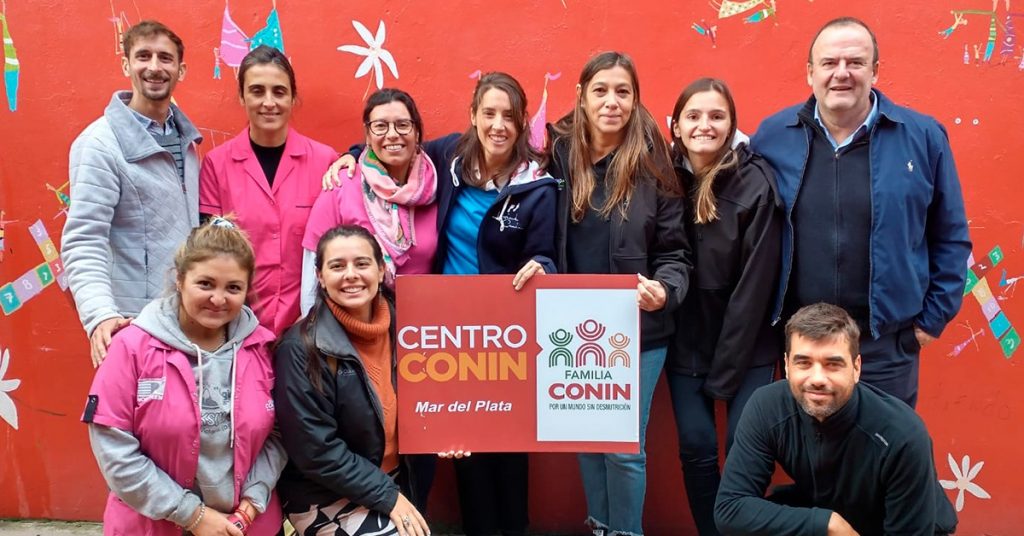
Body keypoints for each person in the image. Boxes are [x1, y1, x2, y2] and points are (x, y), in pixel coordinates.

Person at [750, 16, 971, 408]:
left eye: (855, 62)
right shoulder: (772, 136)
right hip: (804, 346)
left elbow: (951, 237)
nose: (842, 73)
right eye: (829, 63)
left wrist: (928, 323)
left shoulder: (923, 137)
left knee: (884, 445)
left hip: (885, 346)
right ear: (810, 72)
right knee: (810, 446)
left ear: (875, 70)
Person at [539, 51, 693, 536]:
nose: (612, 101)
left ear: (635, 99)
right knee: (586, 440)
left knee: (624, 448)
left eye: (623, 92)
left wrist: (665, 290)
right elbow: (479, 150)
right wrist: (354, 157)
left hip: (637, 328)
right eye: (600, 90)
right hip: (570, 325)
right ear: (581, 96)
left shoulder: (653, 163)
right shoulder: (555, 154)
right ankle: (601, 528)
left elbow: (676, 251)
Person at [82, 217, 286, 536]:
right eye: (205, 284)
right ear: (179, 279)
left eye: (233, 287)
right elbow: (114, 449)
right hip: (152, 526)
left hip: (246, 525)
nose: (218, 299)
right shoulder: (131, 347)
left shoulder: (263, 348)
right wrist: (193, 516)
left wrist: (252, 502)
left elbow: (279, 435)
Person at [714, 302, 958, 535]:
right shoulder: (767, 406)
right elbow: (730, 508)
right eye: (803, 363)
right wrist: (827, 524)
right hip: (826, 517)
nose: (817, 379)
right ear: (787, 366)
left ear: (856, 368)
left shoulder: (901, 435)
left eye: (833, 364)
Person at [436, 71, 557, 536]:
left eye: (509, 115)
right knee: (465, 448)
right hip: (450, 332)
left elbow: (546, 253)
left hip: (507, 333)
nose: (498, 125)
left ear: (522, 122)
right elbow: (393, 150)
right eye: (489, 113)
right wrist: (349, 158)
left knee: (509, 443)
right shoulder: (448, 158)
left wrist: (542, 266)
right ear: (473, 116)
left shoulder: (537, 184)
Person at [665, 77, 783, 536]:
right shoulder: (662, 177)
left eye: (717, 116)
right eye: (693, 116)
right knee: (696, 446)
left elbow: (754, 288)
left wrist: (725, 373)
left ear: (732, 125)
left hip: (748, 343)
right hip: (685, 341)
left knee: (743, 450)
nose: (705, 126)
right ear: (676, 125)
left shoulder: (756, 183)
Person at [274, 224, 430, 536]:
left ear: (381, 269)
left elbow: (433, 401)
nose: (351, 275)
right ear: (320, 276)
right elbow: (316, 451)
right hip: (323, 491)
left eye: (361, 263)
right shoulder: (301, 348)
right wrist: (388, 496)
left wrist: (446, 435)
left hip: (393, 479)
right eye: (337, 266)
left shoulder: (412, 331)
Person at [63, 20, 202, 367]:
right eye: (143, 56)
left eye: (165, 58)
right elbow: (84, 240)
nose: (154, 67)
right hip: (131, 326)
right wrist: (100, 315)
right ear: (126, 65)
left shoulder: (187, 142)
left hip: (184, 323)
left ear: (181, 70)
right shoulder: (99, 145)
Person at [199, 45, 337, 336]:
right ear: (242, 97)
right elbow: (209, 251)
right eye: (257, 91)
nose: (269, 102)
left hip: (309, 328)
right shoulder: (216, 164)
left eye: (279, 92)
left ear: (293, 97)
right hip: (237, 326)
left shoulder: (325, 161)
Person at [301, 88, 439, 316]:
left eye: (403, 125)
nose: (392, 134)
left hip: (421, 321)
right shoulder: (341, 184)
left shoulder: (434, 185)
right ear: (367, 135)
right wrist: (312, 322)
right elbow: (313, 266)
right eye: (380, 126)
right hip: (355, 321)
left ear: (416, 132)